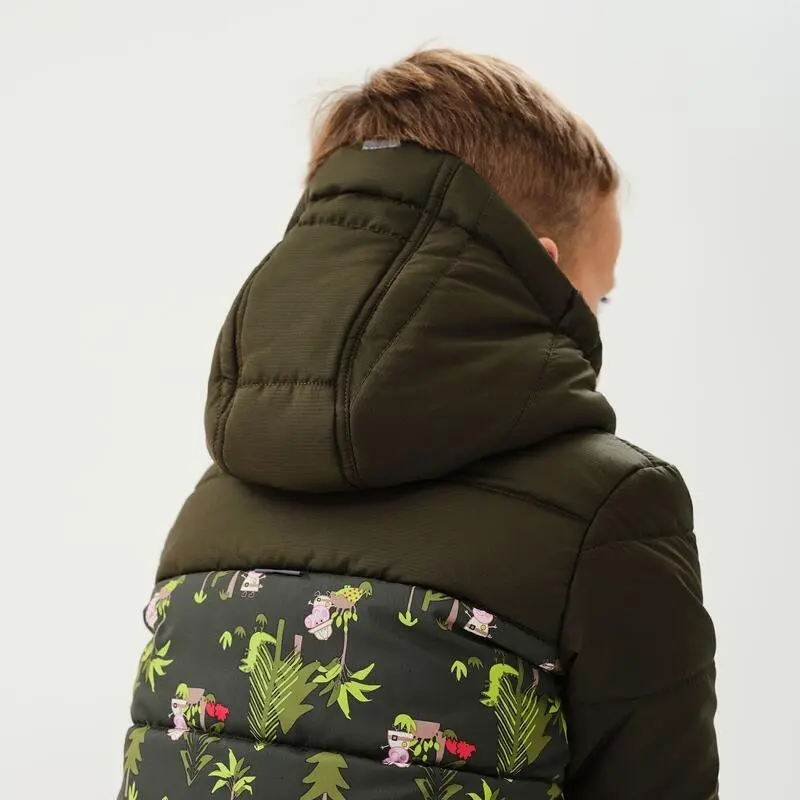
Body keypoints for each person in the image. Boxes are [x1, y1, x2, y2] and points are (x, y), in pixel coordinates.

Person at [118, 49, 719, 799]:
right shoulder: (615, 510)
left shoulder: (207, 512)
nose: (595, 323)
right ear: (538, 272)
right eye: (599, 297)